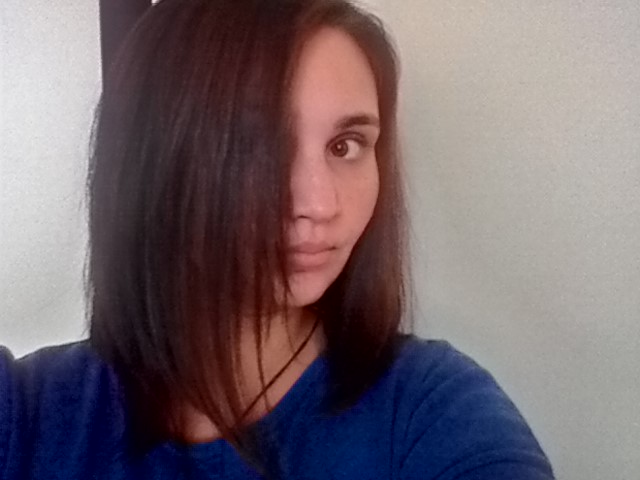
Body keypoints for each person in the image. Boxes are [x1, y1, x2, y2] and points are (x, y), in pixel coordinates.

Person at [0, 0, 555, 478]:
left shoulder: (433, 412)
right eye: (257, 145)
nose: (319, 204)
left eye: (345, 146)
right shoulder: (28, 415)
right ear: (154, 161)